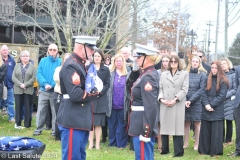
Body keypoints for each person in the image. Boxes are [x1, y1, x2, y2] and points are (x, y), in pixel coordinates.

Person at [57, 36, 100, 160]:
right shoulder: (72, 65)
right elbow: (76, 94)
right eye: (91, 49)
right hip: (73, 119)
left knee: (80, 155)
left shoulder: (80, 64)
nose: (93, 52)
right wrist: (95, 93)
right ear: (81, 47)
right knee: (72, 156)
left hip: (79, 119)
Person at [128, 43, 160, 160]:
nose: (136, 59)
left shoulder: (148, 77)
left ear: (147, 58)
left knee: (143, 157)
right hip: (139, 121)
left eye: (139, 57)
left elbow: (150, 106)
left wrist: (146, 130)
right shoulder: (145, 74)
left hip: (142, 124)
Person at [158, 55, 189, 157]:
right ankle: (164, 149)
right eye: (171, 61)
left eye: (175, 61)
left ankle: (179, 151)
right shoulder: (163, 74)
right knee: (165, 126)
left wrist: (175, 99)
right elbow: (160, 89)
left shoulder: (184, 74)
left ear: (178, 63)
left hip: (177, 103)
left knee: (177, 128)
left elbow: (184, 89)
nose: (173, 63)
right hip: (165, 103)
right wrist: (162, 99)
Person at [198, 61, 229, 157]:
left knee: (216, 132)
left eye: (216, 68)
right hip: (206, 109)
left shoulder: (224, 80)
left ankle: (215, 150)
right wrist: (206, 104)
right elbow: (202, 92)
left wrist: (211, 105)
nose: (214, 70)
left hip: (217, 110)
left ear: (219, 69)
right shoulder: (207, 78)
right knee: (206, 131)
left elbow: (222, 96)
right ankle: (204, 150)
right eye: (212, 67)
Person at [33, 44, 61, 136]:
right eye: (50, 49)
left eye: (54, 50)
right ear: (48, 50)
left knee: (55, 112)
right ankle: (38, 129)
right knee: (41, 111)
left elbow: (59, 75)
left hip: (54, 91)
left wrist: (52, 85)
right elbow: (39, 73)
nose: (52, 51)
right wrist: (45, 84)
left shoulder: (60, 62)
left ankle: (54, 131)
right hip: (43, 90)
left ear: (57, 51)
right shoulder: (43, 60)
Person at [88, 49, 110, 149]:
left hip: (101, 99)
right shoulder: (88, 68)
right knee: (91, 123)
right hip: (90, 99)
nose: (96, 58)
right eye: (95, 56)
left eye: (98, 56)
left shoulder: (106, 69)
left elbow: (107, 84)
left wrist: (100, 92)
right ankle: (90, 143)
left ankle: (97, 144)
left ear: (102, 58)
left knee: (98, 124)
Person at [184, 56, 207, 150]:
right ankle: (185, 143)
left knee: (197, 123)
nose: (194, 63)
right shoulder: (186, 73)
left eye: (196, 61)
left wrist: (191, 100)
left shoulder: (203, 74)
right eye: (193, 61)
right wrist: (186, 99)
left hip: (197, 102)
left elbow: (201, 89)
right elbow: (183, 87)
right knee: (186, 123)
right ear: (190, 62)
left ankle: (197, 144)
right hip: (186, 101)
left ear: (199, 63)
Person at [107, 53, 129, 148]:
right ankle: (112, 142)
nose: (118, 63)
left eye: (120, 61)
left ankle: (121, 143)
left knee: (122, 124)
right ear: (114, 62)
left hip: (123, 103)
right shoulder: (111, 73)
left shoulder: (128, 74)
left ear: (123, 62)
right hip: (112, 103)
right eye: (117, 61)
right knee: (112, 124)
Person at [12, 50, 36, 129]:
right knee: (18, 107)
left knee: (27, 107)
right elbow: (13, 77)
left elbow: (33, 78)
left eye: (27, 56)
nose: (25, 57)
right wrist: (20, 85)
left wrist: (25, 84)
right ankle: (17, 123)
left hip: (28, 90)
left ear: (29, 57)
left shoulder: (33, 67)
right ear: (20, 58)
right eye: (23, 56)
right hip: (18, 90)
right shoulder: (17, 66)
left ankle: (27, 124)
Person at [53, 52, 71, 140]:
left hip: (69, 96)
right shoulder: (58, 69)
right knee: (58, 115)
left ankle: (66, 135)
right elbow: (57, 79)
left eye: (69, 59)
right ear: (63, 60)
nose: (67, 61)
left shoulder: (73, 70)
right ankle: (57, 135)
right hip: (59, 95)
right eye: (65, 59)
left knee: (67, 116)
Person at [156, 54, 171, 150]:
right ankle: (159, 143)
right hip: (159, 100)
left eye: (167, 61)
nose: (165, 63)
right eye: (163, 61)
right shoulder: (157, 72)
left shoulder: (173, 72)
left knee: (167, 123)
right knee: (159, 122)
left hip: (170, 100)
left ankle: (166, 144)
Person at [220, 58, 236, 144]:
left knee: (229, 120)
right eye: (221, 64)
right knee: (220, 120)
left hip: (229, 101)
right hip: (220, 101)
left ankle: (228, 140)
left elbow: (235, 88)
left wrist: (225, 95)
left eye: (224, 64)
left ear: (228, 64)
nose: (223, 65)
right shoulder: (219, 75)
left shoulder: (233, 75)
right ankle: (221, 139)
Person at [0, 44, 16, 122]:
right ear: (0, 51)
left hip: (10, 84)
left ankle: (11, 117)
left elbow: (15, 71)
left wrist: (14, 82)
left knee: (11, 101)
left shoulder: (12, 60)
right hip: (0, 84)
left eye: (6, 50)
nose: (5, 51)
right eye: (3, 50)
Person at [233, 64, 240, 157]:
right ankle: (238, 149)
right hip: (238, 102)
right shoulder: (238, 68)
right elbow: (236, 86)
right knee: (238, 127)